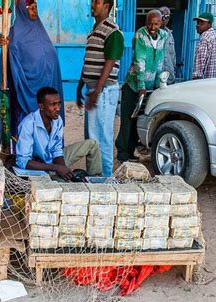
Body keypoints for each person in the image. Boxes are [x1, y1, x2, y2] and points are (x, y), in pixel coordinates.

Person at [0, 0, 64, 139]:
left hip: (47, 92)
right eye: (31, 8)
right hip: (25, 94)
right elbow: (8, 64)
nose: (35, 11)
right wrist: (6, 48)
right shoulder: (14, 35)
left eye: (36, 8)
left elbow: (51, 59)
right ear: (22, 9)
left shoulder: (40, 30)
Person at [76, 0, 123, 177]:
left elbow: (110, 62)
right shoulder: (94, 30)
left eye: (97, 2)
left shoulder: (112, 31)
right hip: (93, 89)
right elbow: (88, 59)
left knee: (102, 136)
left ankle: (105, 177)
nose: (93, 4)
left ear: (107, 6)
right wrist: (80, 85)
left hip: (103, 91)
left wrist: (97, 91)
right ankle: (95, 174)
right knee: (91, 135)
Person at [15, 87, 102, 180]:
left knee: (92, 144)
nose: (58, 108)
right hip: (39, 168)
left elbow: (56, 150)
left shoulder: (57, 120)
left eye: (59, 103)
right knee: (64, 187)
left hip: (53, 163)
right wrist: (55, 168)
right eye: (53, 105)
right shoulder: (28, 124)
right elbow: (22, 161)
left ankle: (96, 181)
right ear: (41, 106)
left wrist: (64, 170)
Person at [115, 10, 167, 163]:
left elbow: (160, 62)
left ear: (161, 23)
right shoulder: (140, 35)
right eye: (149, 23)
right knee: (127, 121)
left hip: (149, 87)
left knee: (139, 121)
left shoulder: (164, 36)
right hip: (134, 86)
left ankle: (131, 152)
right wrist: (141, 87)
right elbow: (139, 62)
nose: (152, 26)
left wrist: (159, 84)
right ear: (145, 23)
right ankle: (122, 154)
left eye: (156, 24)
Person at [192, 12, 216, 80]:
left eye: (202, 23)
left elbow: (199, 65)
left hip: (206, 83)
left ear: (210, 24)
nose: (198, 25)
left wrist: (195, 80)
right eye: (197, 23)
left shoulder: (205, 39)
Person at [159, 6, 176, 83]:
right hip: (156, 77)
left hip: (168, 76)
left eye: (167, 17)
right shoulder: (152, 33)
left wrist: (173, 70)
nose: (165, 19)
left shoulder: (169, 34)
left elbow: (173, 55)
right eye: (163, 16)